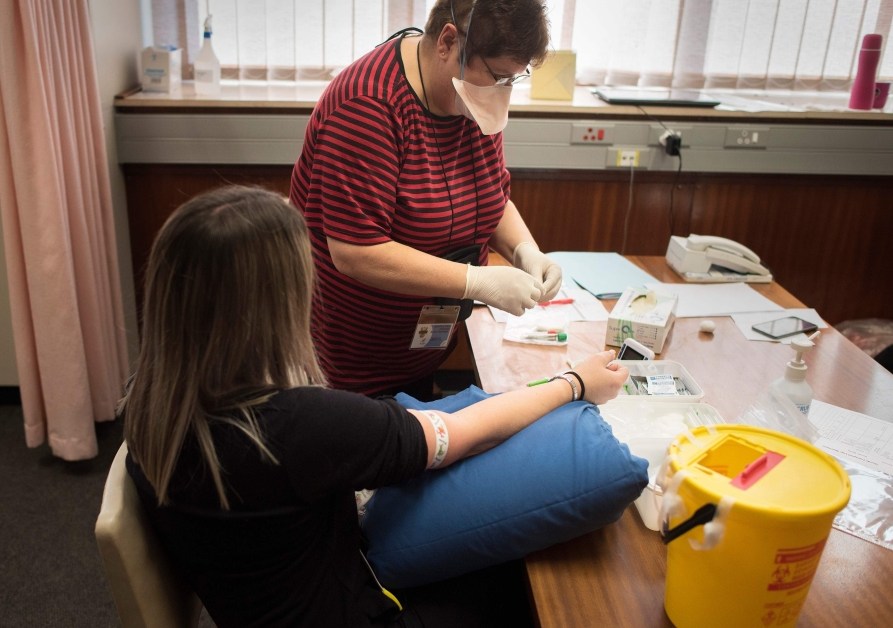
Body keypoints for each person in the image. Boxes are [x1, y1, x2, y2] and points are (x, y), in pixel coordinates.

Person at [120, 186, 629, 628]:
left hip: (262, 604)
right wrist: (574, 384)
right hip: (358, 612)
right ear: (276, 304)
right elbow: (463, 433)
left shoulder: (150, 404)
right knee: (532, 589)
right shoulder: (300, 426)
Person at [290, 0, 562, 398]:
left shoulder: (472, 99)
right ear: (449, 42)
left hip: (419, 348)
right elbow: (356, 252)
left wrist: (525, 250)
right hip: (349, 367)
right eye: (496, 76)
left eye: (514, 79)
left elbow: (491, 196)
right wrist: (475, 281)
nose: (501, 92)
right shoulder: (368, 107)